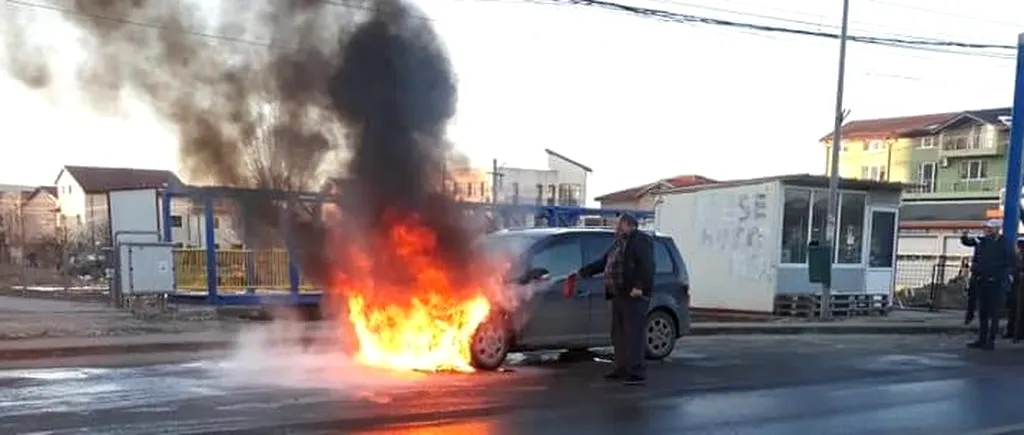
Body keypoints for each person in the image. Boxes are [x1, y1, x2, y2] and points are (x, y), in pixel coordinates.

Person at [569, 213, 654, 386]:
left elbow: (647, 265)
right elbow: (603, 262)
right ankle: (622, 368)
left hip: (634, 296)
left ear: (627, 224)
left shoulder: (640, 241)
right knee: (618, 334)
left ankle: (637, 372)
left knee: (633, 335)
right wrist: (582, 272)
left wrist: (639, 287)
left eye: (619, 224)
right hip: (618, 294)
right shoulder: (619, 242)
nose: (616, 227)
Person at [960, 219, 1016, 350]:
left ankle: (990, 341)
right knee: (983, 312)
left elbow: (1010, 261)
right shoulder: (981, 241)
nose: (987, 230)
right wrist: (964, 236)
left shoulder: (1004, 244)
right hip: (981, 280)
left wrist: (1002, 275)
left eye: (990, 228)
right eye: (986, 228)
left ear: (997, 229)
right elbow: (968, 242)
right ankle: (982, 339)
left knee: (994, 312)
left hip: (996, 282)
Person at [1005, 239, 1024, 341]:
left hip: (1019, 286)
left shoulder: (1019, 257)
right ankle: (1013, 332)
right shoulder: (1017, 257)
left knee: (1017, 311)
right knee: (1014, 310)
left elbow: (1017, 269)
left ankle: (1016, 334)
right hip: (1016, 286)